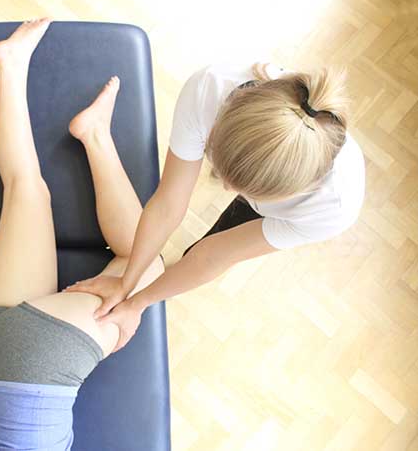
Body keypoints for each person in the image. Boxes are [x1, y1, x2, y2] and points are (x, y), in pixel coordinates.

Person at [0, 18, 164, 450]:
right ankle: (11, 65)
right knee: (25, 189)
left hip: (34, 367)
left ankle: (96, 136)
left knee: (146, 262)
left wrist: (134, 300)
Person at [66, 61, 366, 352]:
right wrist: (125, 283)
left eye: (245, 189)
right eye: (223, 173)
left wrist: (137, 303)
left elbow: (212, 257)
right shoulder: (209, 89)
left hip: (301, 207)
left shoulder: (331, 207)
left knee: (207, 246)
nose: (227, 190)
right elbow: (169, 202)